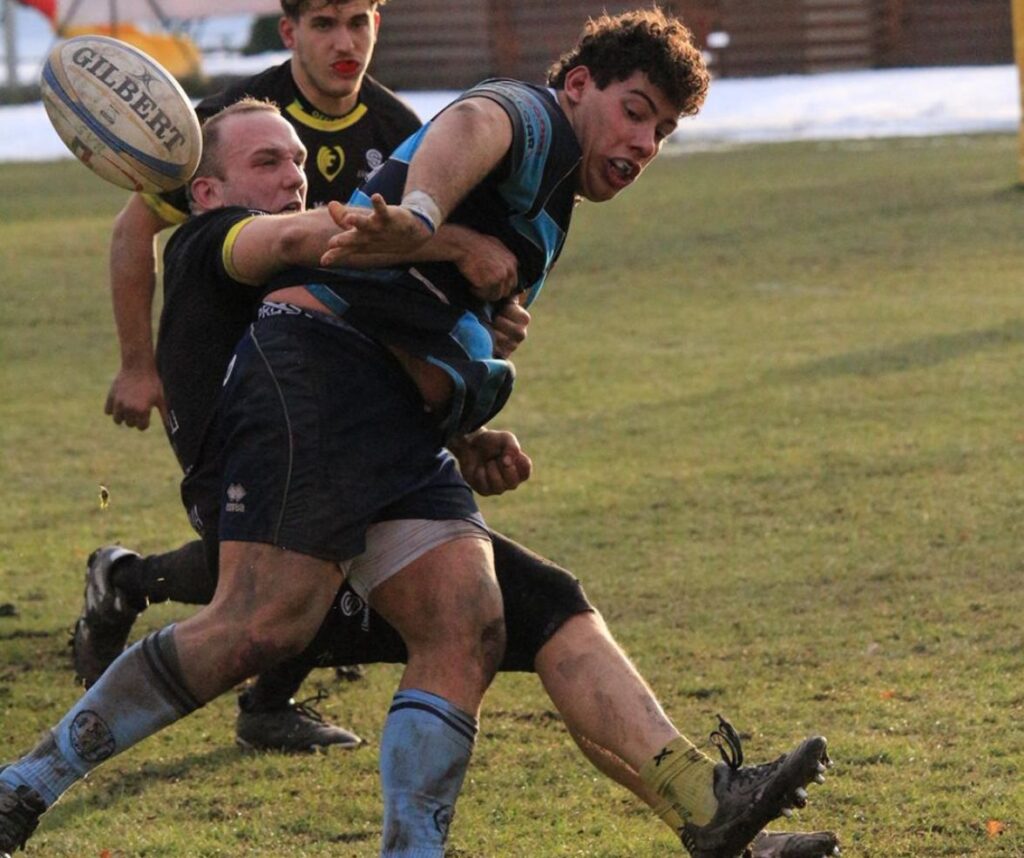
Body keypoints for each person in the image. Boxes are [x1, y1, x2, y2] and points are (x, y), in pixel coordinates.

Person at [2, 11, 832, 858]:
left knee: (487, 617)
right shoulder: (230, 236)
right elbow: (452, 139)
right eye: (636, 112)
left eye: (661, 129)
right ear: (204, 191)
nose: (296, 176)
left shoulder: (519, 203)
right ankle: (22, 785)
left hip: (385, 434)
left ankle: (699, 802)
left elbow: (387, 313)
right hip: (295, 435)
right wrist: (435, 223)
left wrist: (465, 418)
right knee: (259, 627)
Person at [75, 0, 529, 752]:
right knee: (262, 556)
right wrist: (137, 363)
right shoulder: (228, 122)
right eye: (324, 24)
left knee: (322, 538)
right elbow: (134, 229)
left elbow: (403, 295)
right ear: (290, 32)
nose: (345, 42)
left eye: (359, 21)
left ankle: (260, 694)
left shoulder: (398, 132)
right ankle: (131, 585)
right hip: (220, 365)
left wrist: (486, 316)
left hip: (326, 374)